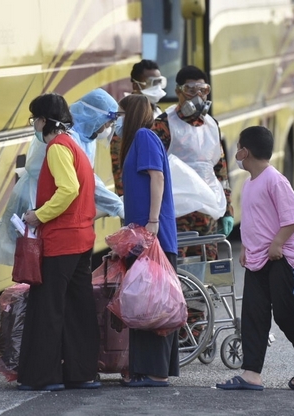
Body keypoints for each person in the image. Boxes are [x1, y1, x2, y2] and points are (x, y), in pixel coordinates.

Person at [216, 126, 294, 391]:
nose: (236, 153)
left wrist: (277, 243)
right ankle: (251, 373)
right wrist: (245, 247)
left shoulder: (275, 179)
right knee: (253, 314)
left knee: (285, 312)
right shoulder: (250, 182)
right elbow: (253, 220)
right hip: (258, 259)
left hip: (283, 258)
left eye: (239, 148)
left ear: (246, 151)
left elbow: (293, 217)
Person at [0, 88, 123, 268]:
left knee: (41, 269)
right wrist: (116, 204)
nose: (106, 128)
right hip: (47, 207)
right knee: (36, 263)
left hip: (59, 218)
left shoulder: (73, 140)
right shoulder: (63, 142)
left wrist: (115, 204)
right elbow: (77, 183)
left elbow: (77, 183)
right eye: (107, 123)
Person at [15, 93, 100, 391]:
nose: (34, 125)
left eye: (35, 119)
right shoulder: (75, 146)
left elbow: (68, 189)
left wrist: (39, 214)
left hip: (61, 240)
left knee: (47, 309)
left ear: (44, 120)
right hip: (82, 238)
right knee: (79, 309)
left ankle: (44, 376)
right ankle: (82, 373)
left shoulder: (56, 148)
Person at [117, 94, 180, 387]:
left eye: (120, 114)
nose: (117, 121)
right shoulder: (142, 139)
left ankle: (155, 372)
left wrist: (152, 221)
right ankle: (153, 369)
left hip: (151, 234)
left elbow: (157, 177)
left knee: (151, 303)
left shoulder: (144, 136)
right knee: (150, 300)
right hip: (144, 234)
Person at [151, 65, 234, 258]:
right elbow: (155, 170)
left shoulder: (212, 126)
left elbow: (220, 171)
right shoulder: (164, 124)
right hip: (177, 212)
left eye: (203, 90)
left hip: (207, 211)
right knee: (177, 267)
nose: (197, 96)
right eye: (190, 90)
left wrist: (227, 210)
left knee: (208, 267)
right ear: (178, 91)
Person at [110, 59, 166, 195]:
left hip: (157, 190)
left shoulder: (158, 113)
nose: (156, 88)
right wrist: (125, 199)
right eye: (150, 83)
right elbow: (119, 163)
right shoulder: (126, 118)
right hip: (137, 192)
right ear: (136, 85)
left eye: (159, 82)